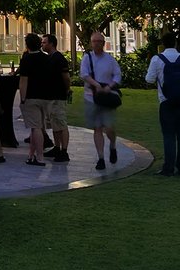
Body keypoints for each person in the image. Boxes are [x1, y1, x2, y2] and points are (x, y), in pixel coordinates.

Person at [145, 31, 180, 176]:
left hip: (166, 101)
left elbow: (149, 79)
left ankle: (168, 167)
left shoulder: (157, 60)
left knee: (168, 135)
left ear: (163, 44)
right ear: (176, 43)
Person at [81, 30, 122, 170]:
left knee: (109, 127)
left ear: (104, 43)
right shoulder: (87, 58)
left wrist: (109, 86)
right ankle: (100, 157)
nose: (97, 44)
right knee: (97, 127)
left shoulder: (110, 60)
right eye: (94, 41)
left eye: (99, 41)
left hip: (106, 97)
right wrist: (96, 84)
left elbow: (117, 75)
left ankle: (112, 145)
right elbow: (84, 74)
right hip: (91, 97)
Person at [17, 32, 60, 166]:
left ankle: (39, 157)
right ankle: (31, 155)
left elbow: (23, 81)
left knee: (36, 127)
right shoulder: (47, 58)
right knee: (37, 126)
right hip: (45, 97)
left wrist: (22, 99)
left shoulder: (27, 59)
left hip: (32, 97)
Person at [41, 33, 72, 163]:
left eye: (44, 42)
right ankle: (57, 147)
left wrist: (67, 89)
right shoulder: (49, 58)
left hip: (58, 96)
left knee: (61, 123)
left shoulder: (58, 58)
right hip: (51, 96)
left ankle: (64, 150)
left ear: (51, 44)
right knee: (54, 124)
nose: (42, 44)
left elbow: (66, 77)